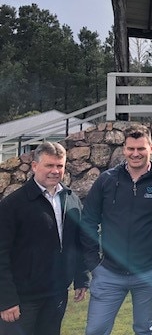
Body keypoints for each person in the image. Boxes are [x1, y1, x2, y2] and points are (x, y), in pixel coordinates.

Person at [81, 124, 152, 335]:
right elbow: (88, 220)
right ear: (123, 149)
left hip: (149, 273)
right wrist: (93, 263)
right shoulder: (107, 180)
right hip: (108, 273)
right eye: (131, 148)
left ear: (151, 148)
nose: (136, 154)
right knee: (95, 330)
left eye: (141, 148)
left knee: (145, 330)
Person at [0, 142, 88, 335]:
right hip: (23, 299)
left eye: (60, 166)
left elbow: (78, 242)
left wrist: (81, 277)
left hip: (57, 295)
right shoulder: (12, 205)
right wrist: (6, 300)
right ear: (34, 166)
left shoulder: (71, 200)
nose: (55, 171)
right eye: (49, 165)